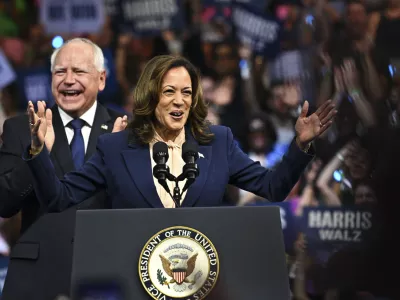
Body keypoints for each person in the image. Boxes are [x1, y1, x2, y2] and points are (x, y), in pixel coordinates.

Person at [25, 54, 335, 215]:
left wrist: (300, 144)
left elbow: (273, 187)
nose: (179, 100)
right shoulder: (115, 147)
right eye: (169, 91)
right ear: (150, 95)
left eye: (187, 92)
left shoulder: (218, 142)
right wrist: (39, 150)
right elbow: (58, 199)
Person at [0, 38, 127, 300]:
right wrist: (37, 152)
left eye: (79, 71)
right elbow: (4, 202)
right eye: (60, 72)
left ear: (101, 79)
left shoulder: (126, 130)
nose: (68, 80)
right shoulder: (23, 128)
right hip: (37, 277)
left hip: (106, 275)